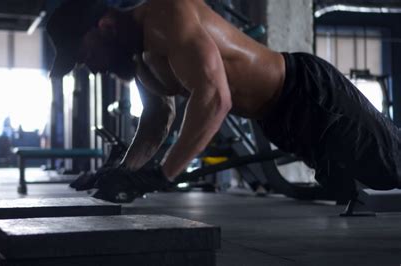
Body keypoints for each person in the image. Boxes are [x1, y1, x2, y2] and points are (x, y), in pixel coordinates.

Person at [46, 0, 401, 203]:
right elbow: (157, 119)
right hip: (278, 120)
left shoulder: (166, 15)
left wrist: (165, 172)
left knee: (391, 168)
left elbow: (215, 97)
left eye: (84, 55)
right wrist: (123, 171)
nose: (89, 68)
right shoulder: (138, 58)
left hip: (306, 92)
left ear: (105, 26)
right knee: (363, 178)